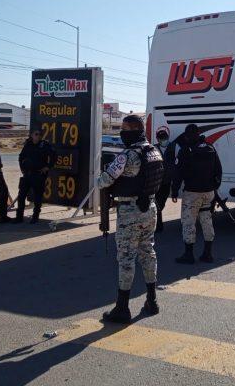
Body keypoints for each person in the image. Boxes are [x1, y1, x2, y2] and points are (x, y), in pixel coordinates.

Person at [98, 115, 164, 323]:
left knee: (126, 258)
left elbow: (103, 181)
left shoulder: (127, 155)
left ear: (133, 130)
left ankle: (122, 307)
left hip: (129, 211)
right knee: (148, 253)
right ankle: (152, 300)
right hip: (150, 208)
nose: (122, 133)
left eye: (124, 129)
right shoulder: (154, 151)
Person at [172, 124, 222, 264]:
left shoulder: (185, 150)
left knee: (189, 222)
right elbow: (218, 169)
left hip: (192, 193)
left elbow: (178, 173)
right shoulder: (210, 148)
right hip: (209, 192)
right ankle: (208, 253)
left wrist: (175, 190)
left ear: (187, 136)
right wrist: (214, 187)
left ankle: (188, 255)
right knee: (206, 220)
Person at [17, 128, 57, 224]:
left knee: (38, 197)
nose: (38, 136)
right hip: (27, 174)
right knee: (21, 196)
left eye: (40, 134)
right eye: (36, 134)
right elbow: (21, 157)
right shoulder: (28, 145)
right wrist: (22, 169)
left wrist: (47, 167)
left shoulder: (44, 145)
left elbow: (54, 156)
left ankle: (35, 217)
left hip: (38, 174)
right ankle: (19, 217)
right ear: (31, 135)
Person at [154, 129, 175, 233]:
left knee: (161, 203)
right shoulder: (153, 148)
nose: (164, 140)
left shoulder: (174, 147)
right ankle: (158, 226)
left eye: (165, 138)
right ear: (158, 139)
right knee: (156, 204)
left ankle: (157, 225)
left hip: (167, 182)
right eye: (162, 139)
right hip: (155, 181)